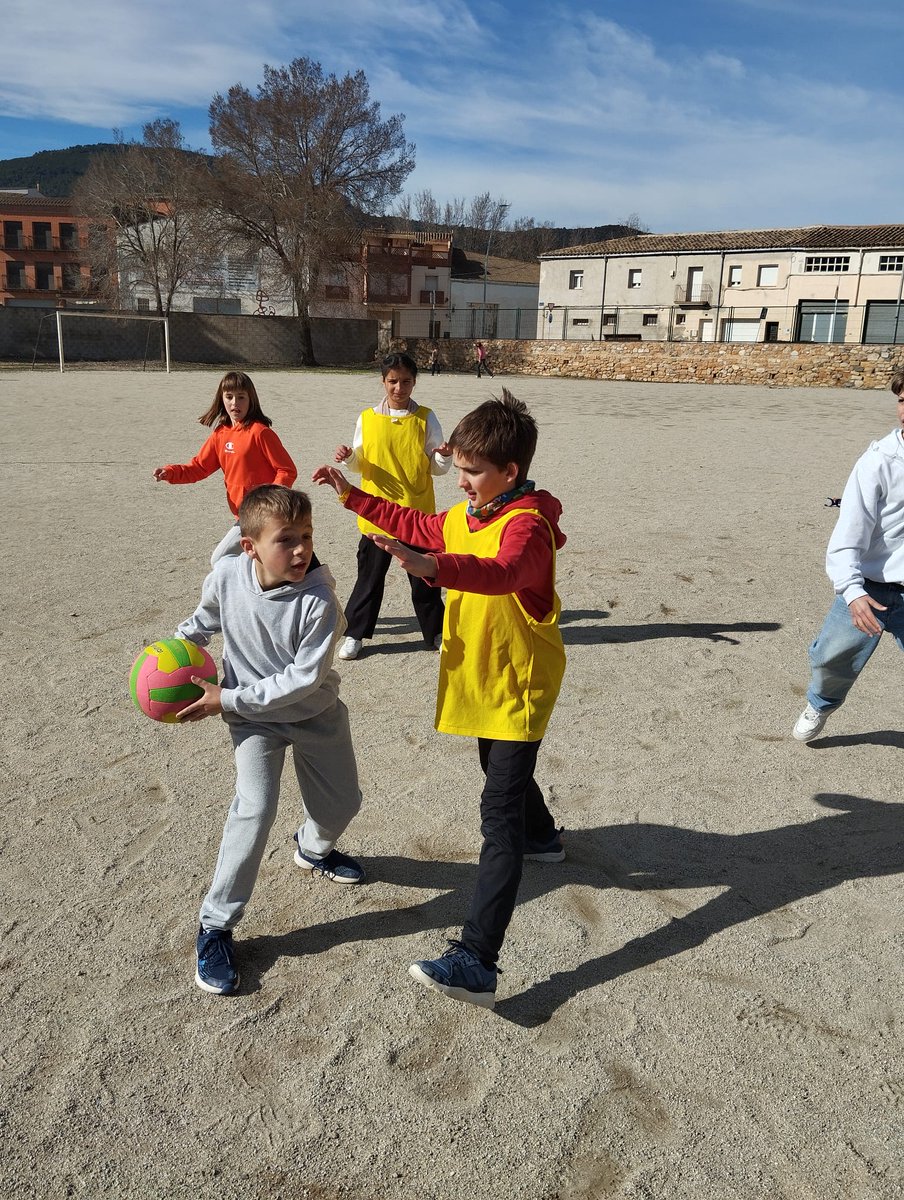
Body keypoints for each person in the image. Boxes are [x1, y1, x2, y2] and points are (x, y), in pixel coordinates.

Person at [313, 389, 566, 1009]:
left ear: (510, 472)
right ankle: (547, 838)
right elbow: (418, 523)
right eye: (458, 468)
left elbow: (504, 574)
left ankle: (477, 959)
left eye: (473, 472)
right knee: (499, 772)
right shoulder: (467, 516)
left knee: (496, 815)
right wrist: (352, 495)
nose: (461, 482)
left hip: (520, 686)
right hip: (484, 677)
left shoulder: (527, 528)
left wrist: (432, 570)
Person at [175, 485, 364, 995]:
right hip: (253, 722)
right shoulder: (228, 574)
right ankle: (215, 925)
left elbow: (304, 680)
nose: (301, 549)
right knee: (254, 809)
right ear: (250, 546)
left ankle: (312, 849)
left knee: (343, 803)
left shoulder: (319, 600)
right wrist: (174, 651)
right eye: (287, 540)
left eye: (307, 536)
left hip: (313, 713)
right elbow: (202, 622)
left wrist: (228, 700)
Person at [793, 370, 904, 741]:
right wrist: (853, 592)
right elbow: (848, 533)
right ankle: (820, 703)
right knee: (830, 659)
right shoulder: (879, 462)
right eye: (902, 401)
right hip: (870, 586)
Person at [333, 351, 451, 661]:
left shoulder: (426, 417)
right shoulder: (367, 418)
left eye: (406, 381)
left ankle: (437, 630)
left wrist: (443, 456)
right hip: (378, 515)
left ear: (415, 382)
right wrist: (348, 459)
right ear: (383, 381)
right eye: (393, 381)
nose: (399, 388)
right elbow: (361, 464)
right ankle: (355, 634)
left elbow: (436, 468)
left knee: (425, 578)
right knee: (369, 579)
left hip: (415, 515)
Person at [154, 370, 297, 566]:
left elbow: (287, 470)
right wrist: (170, 472)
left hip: (263, 515)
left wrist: (270, 503)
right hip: (245, 515)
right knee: (265, 563)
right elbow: (199, 467)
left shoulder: (260, 432)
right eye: (229, 397)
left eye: (241, 397)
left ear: (251, 400)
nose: (234, 403)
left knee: (221, 559)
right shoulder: (220, 434)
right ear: (221, 399)